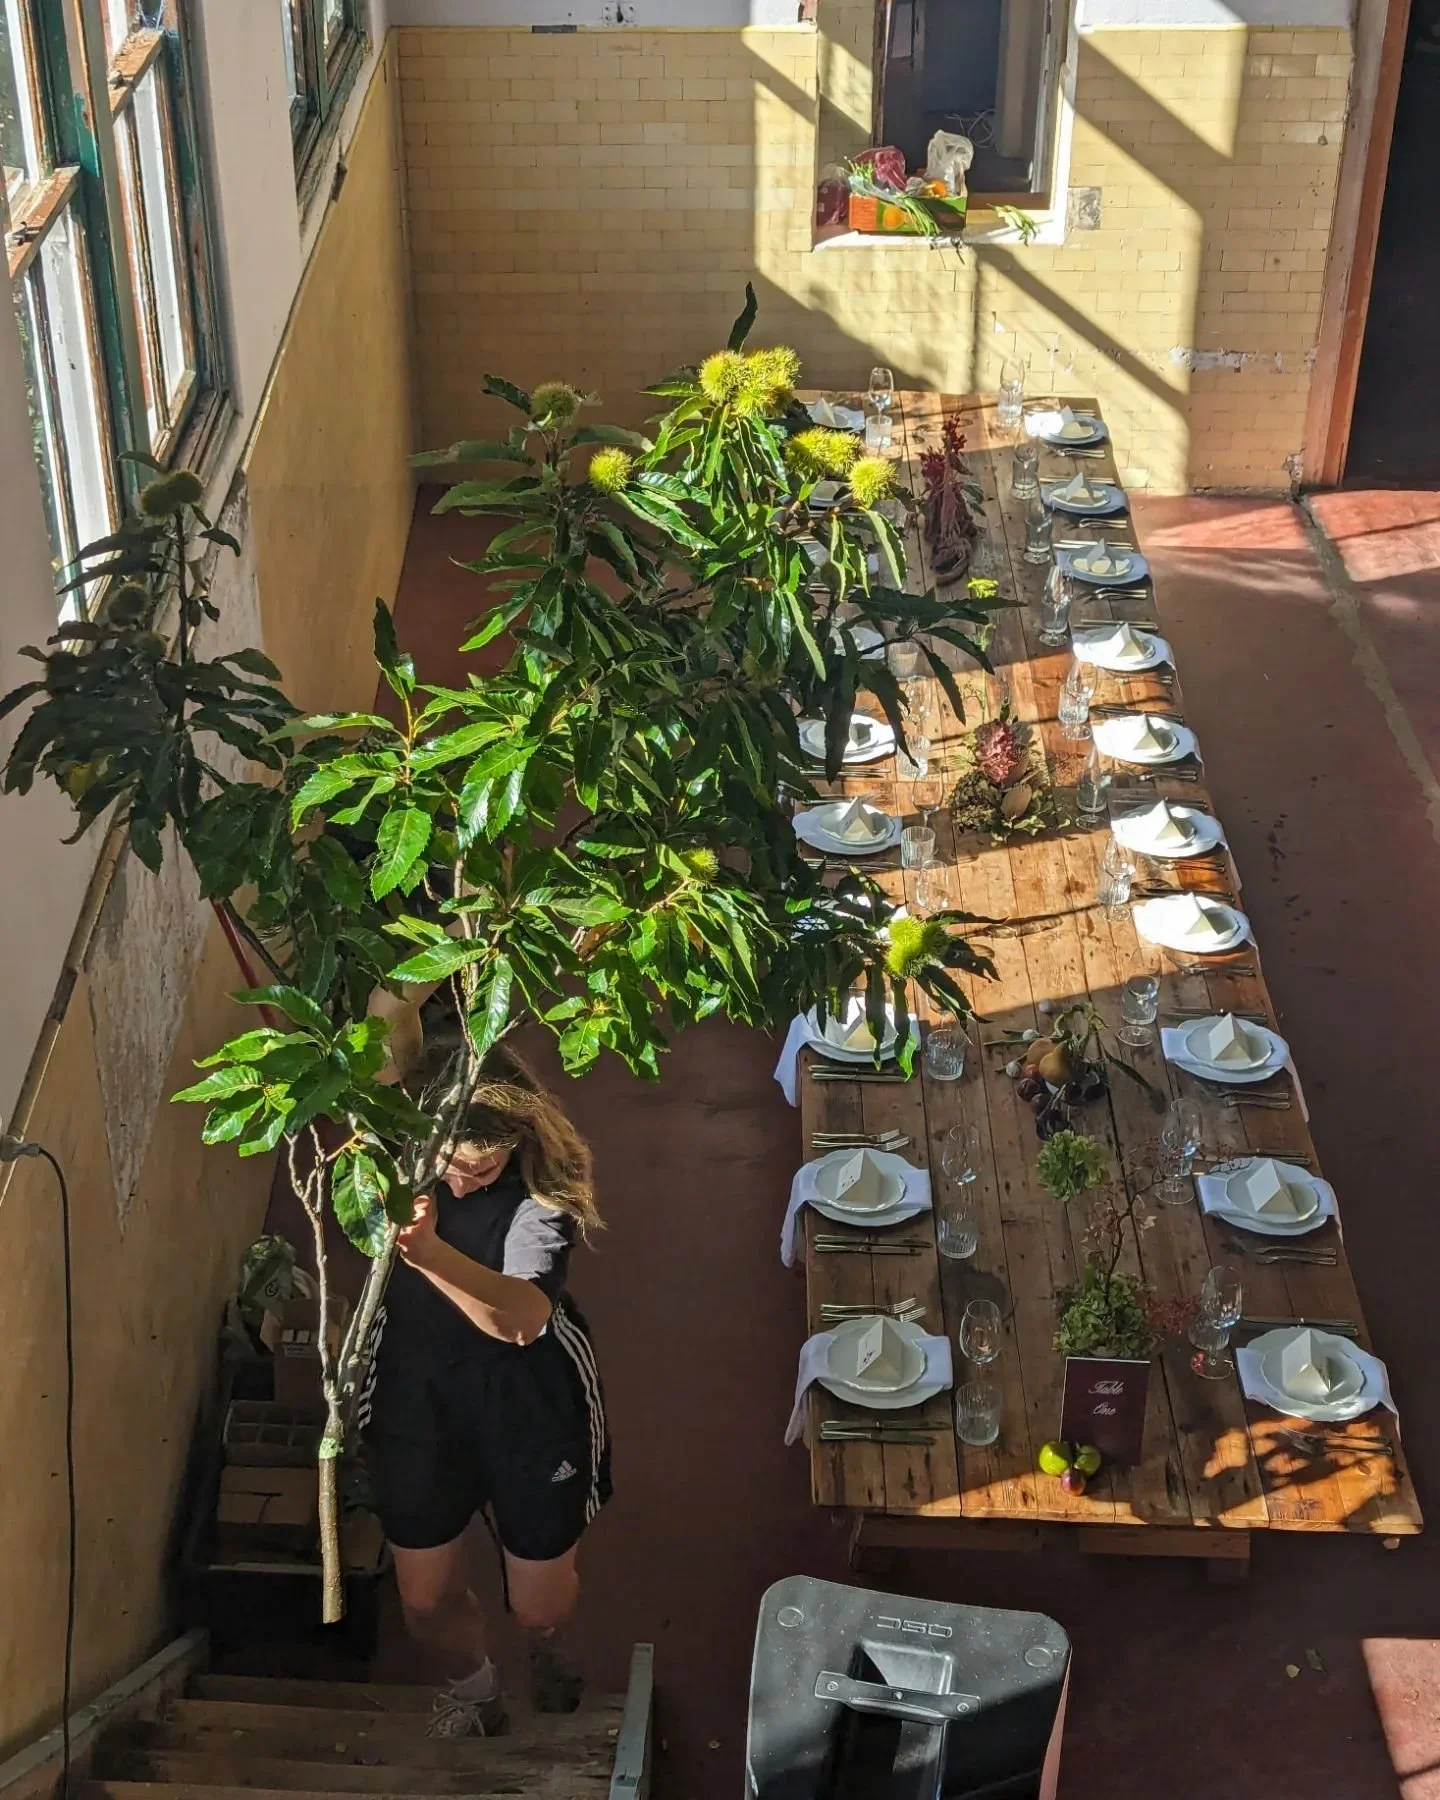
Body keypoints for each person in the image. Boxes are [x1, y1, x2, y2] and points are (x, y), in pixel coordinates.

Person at [357, 1045, 610, 1737]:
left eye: (484, 1170)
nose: (464, 1184)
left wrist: (428, 1251)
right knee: (424, 1598)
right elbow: (387, 1019)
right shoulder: (395, 1140)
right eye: (452, 1167)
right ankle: (476, 1691)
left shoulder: (543, 1197)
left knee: (539, 1603)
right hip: (418, 1393)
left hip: (528, 1402)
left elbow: (523, 1322)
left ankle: (544, 1645)